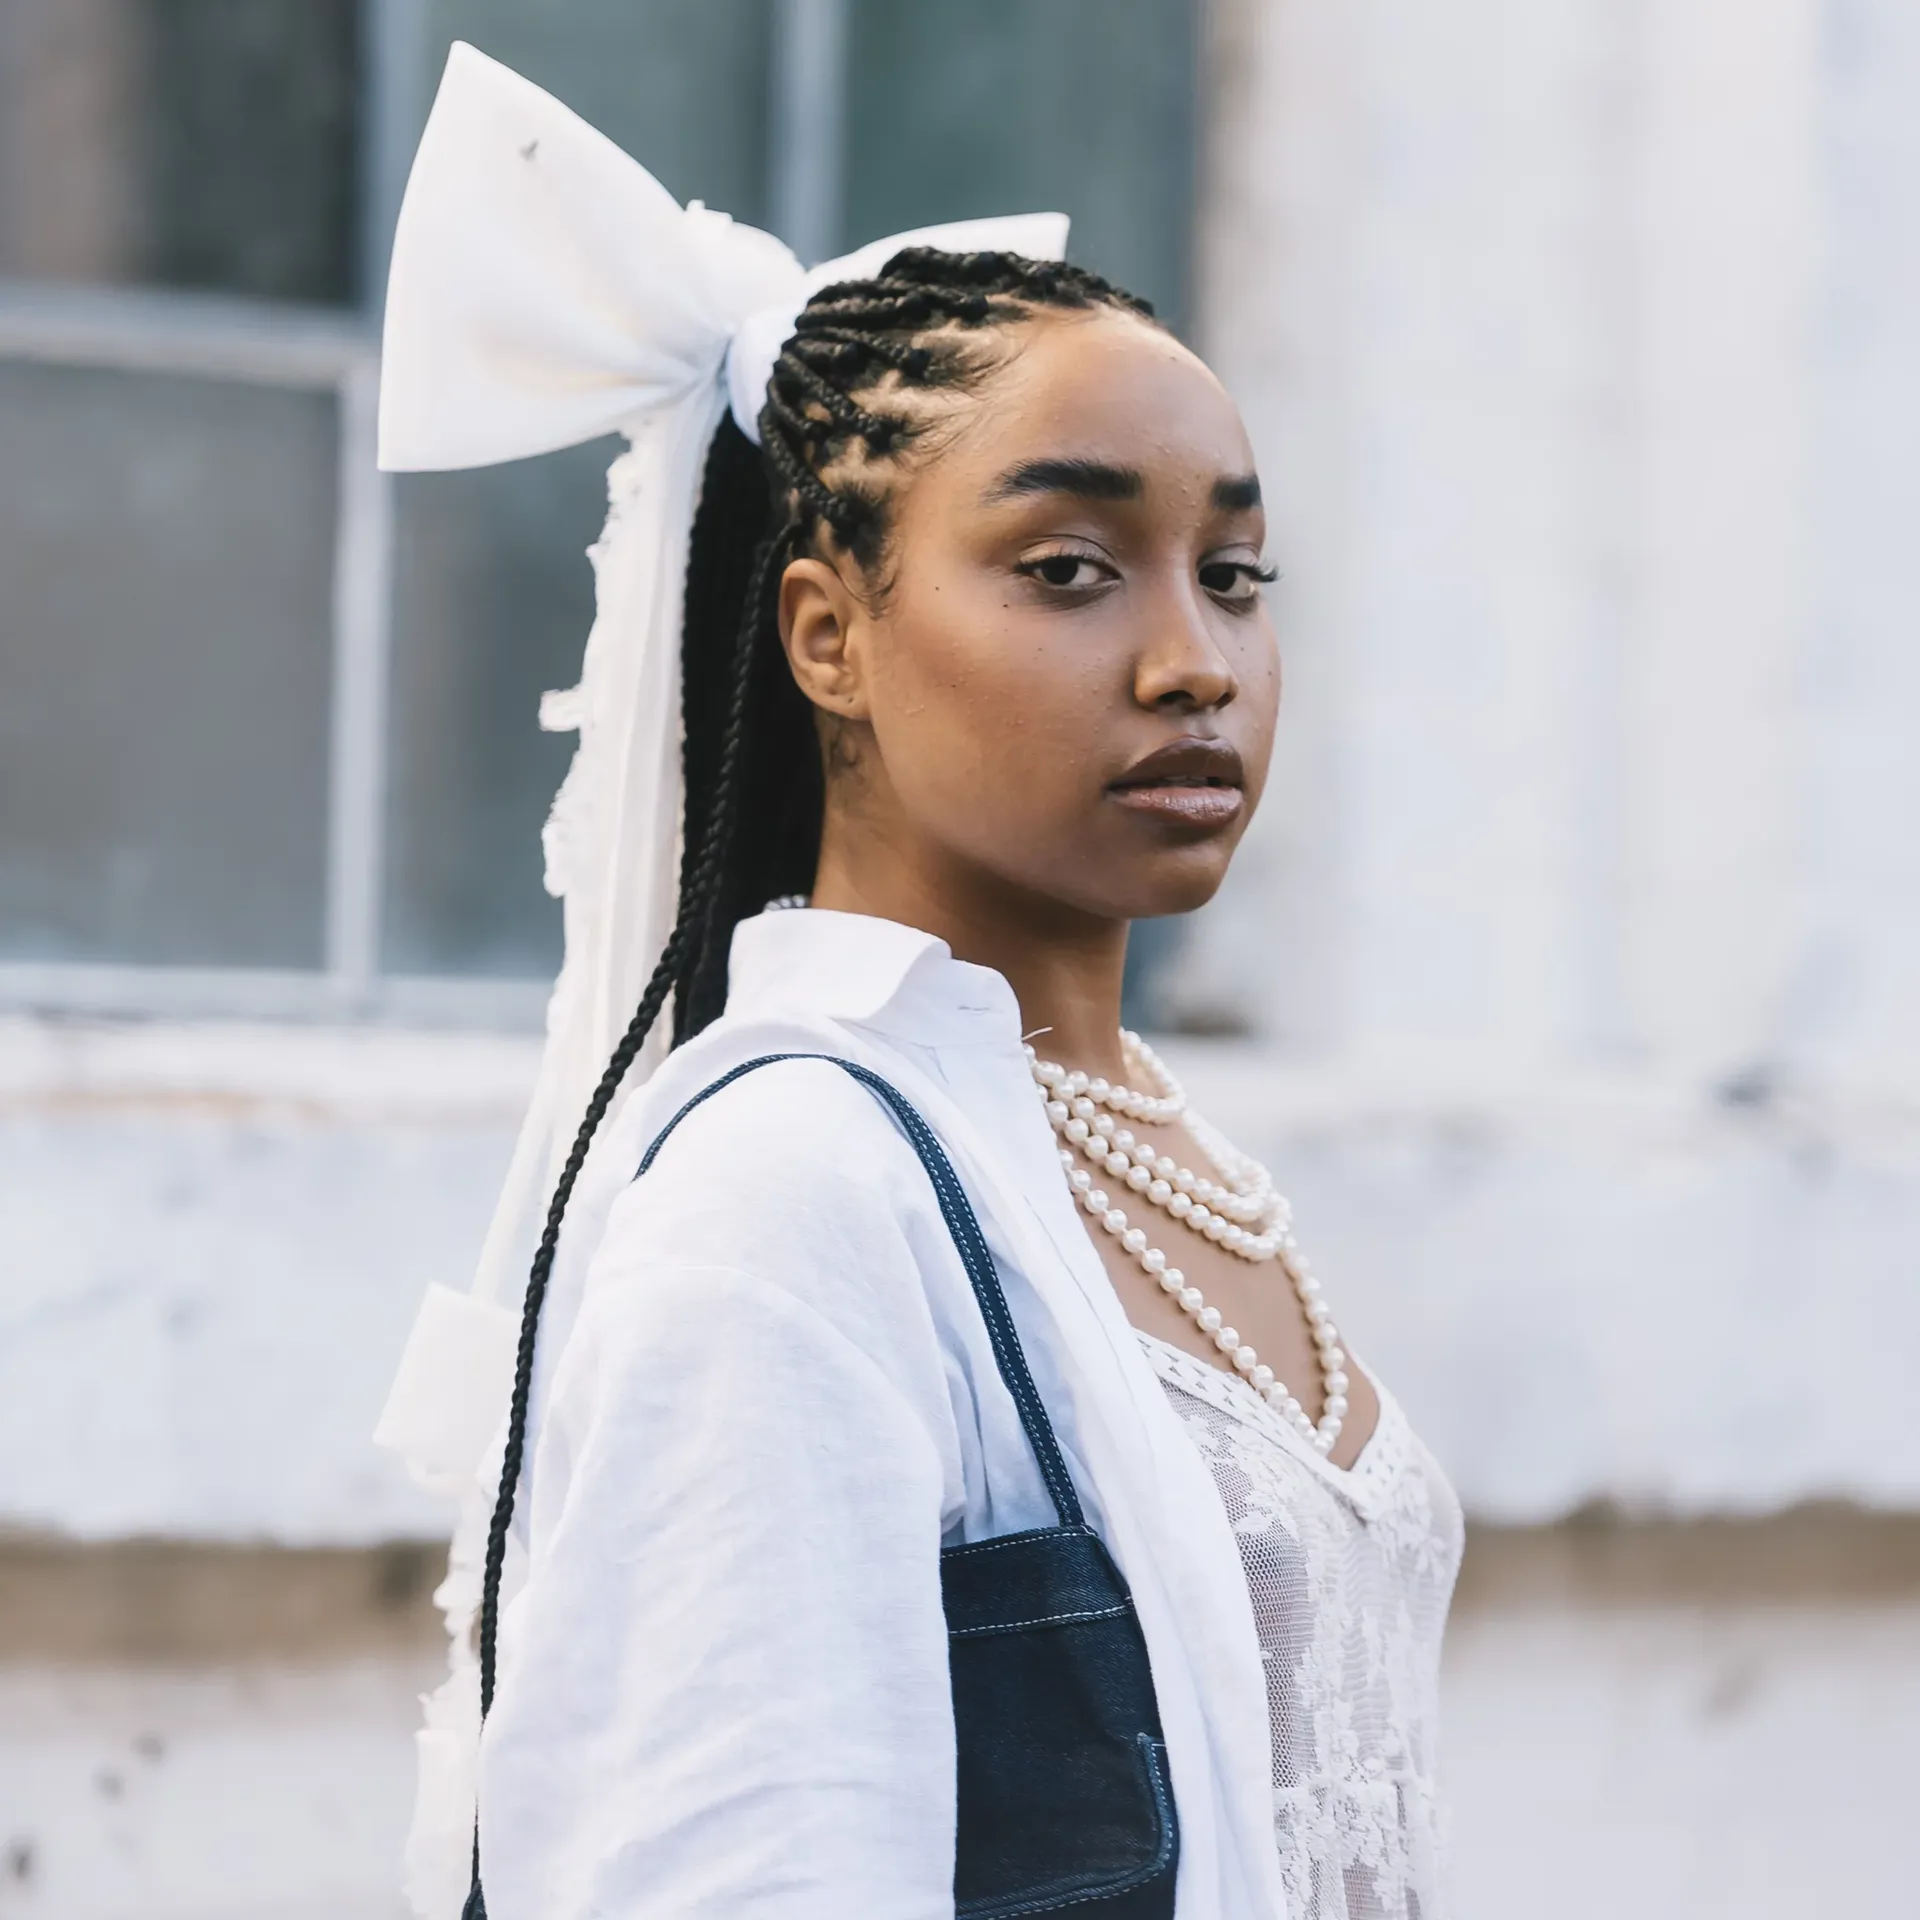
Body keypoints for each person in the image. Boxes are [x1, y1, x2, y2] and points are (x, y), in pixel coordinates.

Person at [374, 43, 1462, 1920]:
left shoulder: (1132, 1138)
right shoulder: (794, 1197)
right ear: (828, 634)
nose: (1194, 659)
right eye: (1068, 566)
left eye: (1239, 571)